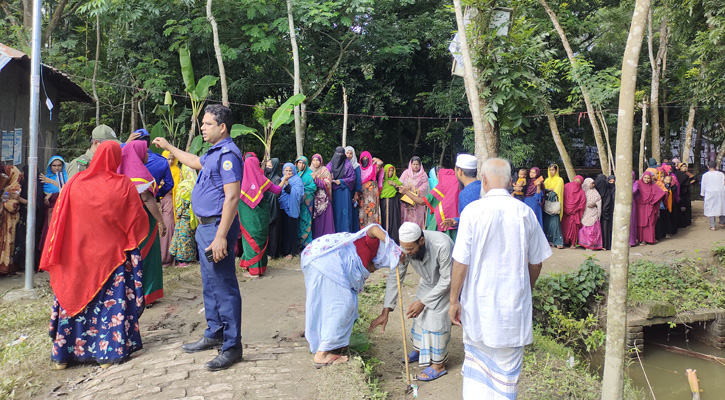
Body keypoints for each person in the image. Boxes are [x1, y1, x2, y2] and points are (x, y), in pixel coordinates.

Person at [449, 158, 552, 399]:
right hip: (512, 310)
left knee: (476, 370)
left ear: (483, 180)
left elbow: (460, 262)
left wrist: (454, 300)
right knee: (506, 376)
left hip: (478, 307)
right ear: (510, 182)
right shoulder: (525, 213)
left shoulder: (472, 212)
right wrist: (526, 288)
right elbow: (536, 262)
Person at [40, 141, 149, 369]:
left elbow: (60, 220)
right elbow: (136, 221)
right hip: (112, 257)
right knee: (109, 305)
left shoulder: (74, 183)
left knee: (74, 298)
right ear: (117, 159)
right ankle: (107, 353)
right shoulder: (123, 185)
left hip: (77, 256)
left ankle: (63, 356)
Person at [153, 104, 244, 371]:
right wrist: (169, 146)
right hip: (205, 227)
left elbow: (232, 197)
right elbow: (193, 161)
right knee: (210, 283)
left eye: (207, 124)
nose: (202, 127)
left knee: (224, 287)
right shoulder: (213, 152)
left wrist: (221, 236)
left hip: (217, 227)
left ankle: (232, 346)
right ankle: (215, 332)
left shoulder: (228, 154)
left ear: (222, 127)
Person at [301, 223, 401, 367]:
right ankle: (322, 354)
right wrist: (392, 246)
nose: (372, 271)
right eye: (375, 266)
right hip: (326, 260)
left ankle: (331, 344)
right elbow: (373, 228)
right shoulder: (374, 245)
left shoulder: (367, 258)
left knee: (333, 303)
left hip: (319, 258)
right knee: (342, 304)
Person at [370, 223, 453, 381]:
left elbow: (447, 279)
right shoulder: (404, 248)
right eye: (404, 248)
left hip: (447, 283)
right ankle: (422, 350)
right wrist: (386, 310)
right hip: (428, 282)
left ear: (421, 241)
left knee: (435, 319)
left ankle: (438, 365)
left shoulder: (441, 245)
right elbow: (396, 277)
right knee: (419, 315)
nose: (406, 253)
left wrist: (424, 301)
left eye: (410, 249)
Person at [118, 140, 167, 304]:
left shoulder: (120, 172)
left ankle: (129, 294)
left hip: (125, 221)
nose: (148, 155)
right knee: (146, 255)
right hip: (143, 220)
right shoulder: (138, 174)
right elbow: (147, 198)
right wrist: (160, 221)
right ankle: (146, 294)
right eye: (145, 152)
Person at [238, 154, 282, 277]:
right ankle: (260, 268)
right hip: (262, 217)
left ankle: (254, 271)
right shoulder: (263, 179)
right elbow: (277, 191)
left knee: (250, 239)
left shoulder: (240, 181)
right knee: (259, 240)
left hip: (248, 218)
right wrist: (284, 180)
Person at [398, 168, 460, 240]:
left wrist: (406, 192)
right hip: (454, 222)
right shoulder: (457, 190)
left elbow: (421, 201)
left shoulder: (440, 188)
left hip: (439, 221)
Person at [440, 154, 481, 231]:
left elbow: (469, 223)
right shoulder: (484, 187)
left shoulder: (465, 194)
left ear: (460, 171)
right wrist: (457, 221)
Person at [169, 165, 198, 267]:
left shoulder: (185, 187)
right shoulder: (194, 185)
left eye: (182, 172)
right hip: (191, 217)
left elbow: (184, 203)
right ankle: (188, 260)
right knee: (188, 239)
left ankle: (184, 261)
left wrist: (178, 213)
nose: (180, 174)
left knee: (184, 239)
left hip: (184, 217)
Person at [38, 156, 67, 253]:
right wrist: (47, 196)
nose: (57, 168)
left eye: (59, 165)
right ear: (50, 167)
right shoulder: (46, 178)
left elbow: (65, 188)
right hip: (49, 209)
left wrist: (51, 183)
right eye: (54, 165)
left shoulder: (66, 176)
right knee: (48, 230)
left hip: (62, 208)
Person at [0, 166, 25, 276]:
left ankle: (6, 267)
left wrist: (3, 200)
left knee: (8, 242)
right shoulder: (5, 187)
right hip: (3, 220)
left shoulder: (14, 188)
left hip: (10, 221)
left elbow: (13, 206)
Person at [278, 162, 304, 259]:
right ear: (283, 171)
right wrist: (284, 181)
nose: (288, 172)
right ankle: (283, 250)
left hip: (292, 209)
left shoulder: (297, 180)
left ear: (294, 171)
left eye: (290, 170)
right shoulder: (280, 179)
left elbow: (297, 194)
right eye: (286, 170)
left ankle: (291, 252)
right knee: (283, 230)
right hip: (282, 208)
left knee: (291, 231)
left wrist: (287, 183)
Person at [327, 147, 356, 233]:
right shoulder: (330, 165)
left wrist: (341, 181)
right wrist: (330, 179)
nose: (339, 156)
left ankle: (345, 234)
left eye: (341, 154)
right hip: (333, 192)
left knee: (344, 214)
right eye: (337, 154)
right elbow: (324, 176)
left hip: (344, 192)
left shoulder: (348, 165)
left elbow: (352, 178)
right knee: (334, 213)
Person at [634, 171, 667, 245]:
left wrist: (652, 201)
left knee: (649, 222)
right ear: (642, 177)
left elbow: (661, 193)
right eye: (645, 178)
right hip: (638, 207)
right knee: (639, 222)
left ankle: (647, 239)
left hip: (648, 207)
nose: (646, 179)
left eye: (648, 178)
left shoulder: (653, 185)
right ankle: (639, 239)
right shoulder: (638, 183)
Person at [160, 151, 180, 265]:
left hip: (170, 201)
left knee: (168, 227)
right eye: (168, 159)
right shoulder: (160, 168)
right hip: (160, 201)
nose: (170, 161)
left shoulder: (176, 171)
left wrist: (166, 185)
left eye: (172, 159)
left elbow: (175, 187)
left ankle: (166, 258)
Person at [399, 156, 430, 229]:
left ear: (420, 165)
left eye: (417, 164)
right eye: (414, 164)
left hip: (417, 201)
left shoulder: (423, 175)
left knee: (417, 221)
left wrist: (416, 191)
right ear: (410, 164)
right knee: (406, 220)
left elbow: (425, 187)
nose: (415, 166)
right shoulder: (406, 173)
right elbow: (400, 183)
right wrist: (406, 188)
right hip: (406, 201)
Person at [310, 154, 335, 238]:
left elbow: (328, 183)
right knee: (315, 220)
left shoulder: (325, 170)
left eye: (317, 160)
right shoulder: (309, 171)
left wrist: (316, 180)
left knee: (325, 219)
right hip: (312, 198)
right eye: (314, 160)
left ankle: (327, 238)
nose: (315, 162)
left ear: (320, 161)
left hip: (324, 199)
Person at [296, 156, 316, 249]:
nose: (301, 165)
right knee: (299, 222)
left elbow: (313, 187)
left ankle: (306, 245)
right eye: (299, 163)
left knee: (306, 221)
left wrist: (302, 189)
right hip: (298, 203)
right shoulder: (296, 173)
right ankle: (299, 243)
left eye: (303, 163)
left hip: (307, 202)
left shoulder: (310, 174)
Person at [379, 164, 403, 244]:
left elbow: (402, 188)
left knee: (395, 220)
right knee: (387, 220)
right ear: (385, 172)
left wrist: (394, 184)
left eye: (392, 171)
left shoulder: (395, 180)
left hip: (394, 202)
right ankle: (385, 239)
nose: (391, 173)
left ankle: (394, 239)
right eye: (389, 170)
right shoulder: (382, 182)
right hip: (386, 202)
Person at [578, 178, 603, 250]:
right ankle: (585, 244)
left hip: (593, 213)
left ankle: (592, 245)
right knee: (584, 229)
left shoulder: (595, 192)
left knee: (593, 230)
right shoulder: (583, 192)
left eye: (593, 183)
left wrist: (595, 204)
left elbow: (599, 200)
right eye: (592, 183)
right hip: (585, 213)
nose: (593, 185)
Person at [561, 175, 586, 249]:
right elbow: (562, 197)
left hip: (574, 214)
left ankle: (572, 243)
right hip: (565, 212)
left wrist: (574, 210)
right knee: (564, 227)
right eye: (576, 181)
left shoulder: (581, 192)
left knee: (574, 228)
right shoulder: (566, 187)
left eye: (579, 182)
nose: (577, 183)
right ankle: (564, 241)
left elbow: (582, 204)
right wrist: (565, 208)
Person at [543, 164, 564, 249]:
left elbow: (557, 191)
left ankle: (558, 241)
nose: (551, 172)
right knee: (547, 223)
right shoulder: (547, 180)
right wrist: (548, 190)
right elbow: (543, 189)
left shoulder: (559, 180)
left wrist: (548, 192)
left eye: (553, 170)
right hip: (547, 204)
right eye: (550, 170)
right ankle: (549, 241)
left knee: (555, 223)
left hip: (554, 203)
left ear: (556, 171)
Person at [265, 158, 283, 258]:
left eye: (270, 166)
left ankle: (272, 253)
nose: (268, 168)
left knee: (274, 231)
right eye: (267, 166)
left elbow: (277, 193)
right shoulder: (265, 176)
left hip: (274, 207)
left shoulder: (276, 179)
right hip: (266, 206)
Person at [358, 151, 381, 228]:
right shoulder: (359, 169)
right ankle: (364, 233)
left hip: (372, 195)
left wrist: (374, 159)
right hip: (362, 194)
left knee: (372, 211)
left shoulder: (373, 167)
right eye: (363, 158)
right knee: (363, 212)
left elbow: (381, 163)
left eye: (367, 158)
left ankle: (373, 232)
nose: (365, 160)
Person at [700, 160, 725, 231]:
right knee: (721, 206)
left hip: (710, 192)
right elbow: (723, 183)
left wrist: (702, 194)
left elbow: (703, 185)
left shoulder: (705, 175)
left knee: (710, 208)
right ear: (716, 166)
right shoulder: (721, 174)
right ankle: (723, 222)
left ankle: (713, 226)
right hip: (720, 192)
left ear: (708, 166)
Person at [594, 174, 615, 250]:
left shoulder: (608, 193)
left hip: (605, 215)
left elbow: (607, 206)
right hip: (597, 215)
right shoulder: (595, 193)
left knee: (605, 228)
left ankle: (605, 244)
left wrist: (602, 210)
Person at [345, 146, 363, 231]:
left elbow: (358, 179)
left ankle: (354, 231)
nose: (348, 155)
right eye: (347, 153)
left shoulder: (356, 166)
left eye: (350, 153)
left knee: (353, 211)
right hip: (345, 191)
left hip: (353, 191)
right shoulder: (343, 165)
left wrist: (356, 192)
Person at [675, 162, 695, 228]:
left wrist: (690, 182)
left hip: (686, 193)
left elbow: (695, 179)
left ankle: (687, 221)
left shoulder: (687, 174)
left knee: (687, 207)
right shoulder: (678, 174)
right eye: (682, 167)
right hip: (680, 193)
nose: (684, 168)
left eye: (685, 167)